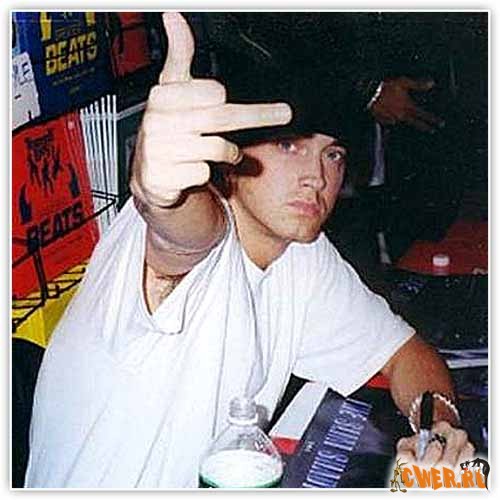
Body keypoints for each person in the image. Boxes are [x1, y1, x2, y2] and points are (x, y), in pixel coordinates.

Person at [25, 13, 474, 488]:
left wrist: (438, 431)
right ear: (228, 159)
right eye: (288, 146)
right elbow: (180, 235)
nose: (317, 177)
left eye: (333, 154)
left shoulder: (302, 254)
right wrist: (159, 190)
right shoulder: (175, 232)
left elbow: (405, 354)